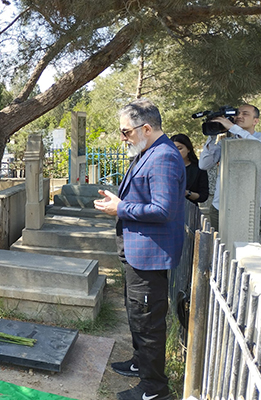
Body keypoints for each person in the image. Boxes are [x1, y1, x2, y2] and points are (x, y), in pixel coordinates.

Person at [94, 99, 185, 400]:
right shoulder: (148, 151)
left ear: (146, 128)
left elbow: (163, 210)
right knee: (137, 314)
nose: (123, 138)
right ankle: (139, 363)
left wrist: (121, 208)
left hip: (150, 256)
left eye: (126, 132)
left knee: (148, 321)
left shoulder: (163, 156)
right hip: (138, 252)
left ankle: (154, 389)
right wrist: (117, 202)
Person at [198, 104, 261, 230]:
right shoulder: (226, 142)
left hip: (250, 208)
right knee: (218, 242)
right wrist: (212, 136)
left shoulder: (258, 139)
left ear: (255, 121)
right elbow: (204, 165)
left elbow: (255, 147)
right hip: (220, 206)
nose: (239, 116)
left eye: (245, 114)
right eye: (237, 113)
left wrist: (233, 128)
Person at [171, 134, 209, 205]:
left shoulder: (199, 168)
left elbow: (203, 196)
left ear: (188, 149)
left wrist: (187, 193)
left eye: (179, 148)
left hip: (189, 208)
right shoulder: (165, 167)